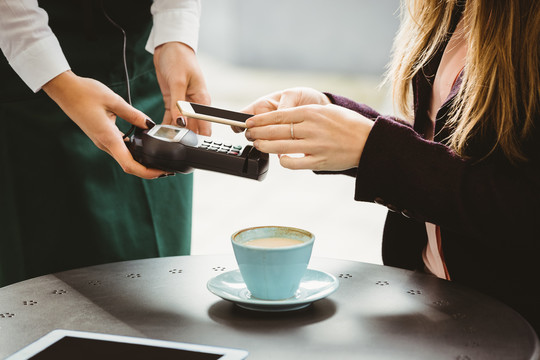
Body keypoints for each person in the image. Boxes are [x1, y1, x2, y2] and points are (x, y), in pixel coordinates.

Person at [240, 0, 540, 334]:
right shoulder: (455, 10)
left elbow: (524, 207)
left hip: (507, 324)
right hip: (428, 302)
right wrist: (336, 115)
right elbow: (442, 151)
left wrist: (374, 147)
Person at [0, 0, 210, 286]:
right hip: (24, 75)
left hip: (142, 61)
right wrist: (55, 79)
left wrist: (176, 32)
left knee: (155, 285)